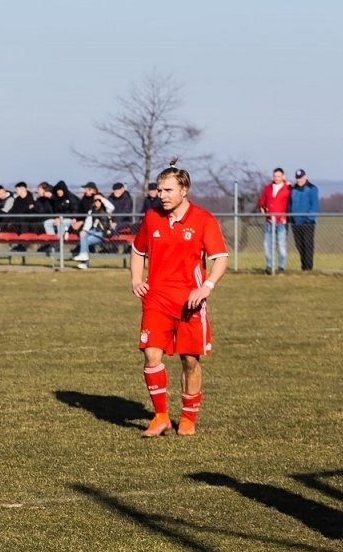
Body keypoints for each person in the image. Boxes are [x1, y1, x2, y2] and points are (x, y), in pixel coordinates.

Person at [131, 166, 228, 437]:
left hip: (189, 302)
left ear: (184, 190)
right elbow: (138, 250)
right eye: (159, 189)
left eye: (168, 190)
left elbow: (220, 258)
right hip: (156, 299)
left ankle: (187, 418)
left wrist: (206, 287)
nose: (161, 195)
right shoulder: (151, 218)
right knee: (151, 354)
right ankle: (161, 416)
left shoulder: (203, 220)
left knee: (189, 361)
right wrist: (136, 280)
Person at [257, 169, 290, 272]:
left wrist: (286, 216)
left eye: (279, 176)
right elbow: (262, 201)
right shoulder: (268, 188)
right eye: (275, 176)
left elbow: (290, 204)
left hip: (281, 222)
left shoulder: (288, 188)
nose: (276, 178)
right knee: (267, 245)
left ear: (283, 176)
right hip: (269, 222)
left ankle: (281, 266)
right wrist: (262, 208)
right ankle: (269, 266)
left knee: (281, 245)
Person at [71, 189, 114, 267]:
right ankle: (83, 259)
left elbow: (112, 207)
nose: (96, 202)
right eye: (95, 201)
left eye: (98, 201)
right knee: (83, 235)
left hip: (103, 232)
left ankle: (84, 262)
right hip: (94, 231)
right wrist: (84, 230)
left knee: (85, 242)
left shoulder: (107, 210)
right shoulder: (92, 211)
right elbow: (88, 222)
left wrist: (101, 198)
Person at [288, 169, 319, 271]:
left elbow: (314, 205)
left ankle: (308, 267)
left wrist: (309, 218)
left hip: (307, 223)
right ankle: (303, 265)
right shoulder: (294, 189)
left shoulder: (312, 189)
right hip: (295, 222)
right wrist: (290, 217)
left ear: (305, 177)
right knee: (299, 245)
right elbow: (290, 204)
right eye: (297, 178)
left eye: (300, 178)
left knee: (308, 245)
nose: (299, 180)